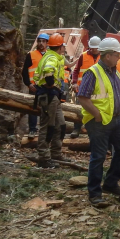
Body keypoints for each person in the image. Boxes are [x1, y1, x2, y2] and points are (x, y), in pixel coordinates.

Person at [76, 37, 120, 207]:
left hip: (116, 119)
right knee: (98, 156)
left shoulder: (114, 72)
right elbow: (83, 97)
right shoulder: (93, 72)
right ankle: (94, 193)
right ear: (108, 56)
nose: (119, 57)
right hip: (99, 121)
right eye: (116, 55)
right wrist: (97, 115)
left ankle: (110, 183)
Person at [32, 33, 67, 168]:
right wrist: (51, 84)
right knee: (48, 127)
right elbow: (48, 71)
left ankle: (55, 153)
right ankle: (43, 157)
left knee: (60, 125)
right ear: (60, 47)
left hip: (54, 96)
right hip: (48, 95)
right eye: (63, 45)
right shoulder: (52, 57)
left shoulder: (54, 56)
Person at [69, 36, 101, 138]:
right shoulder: (83, 56)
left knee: (95, 109)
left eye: (95, 48)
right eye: (92, 47)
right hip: (82, 88)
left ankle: (92, 130)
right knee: (80, 109)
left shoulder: (103, 57)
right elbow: (76, 70)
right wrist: (74, 82)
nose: (93, 49)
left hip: (97, 89)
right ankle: (76, 128)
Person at [21, 33, 49, 138]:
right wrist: (28, 84)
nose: (41, 43)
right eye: (39, 41)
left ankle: (44, 130)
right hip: (34, 87)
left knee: (46, 109)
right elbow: (24, 71)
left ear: (47, 43)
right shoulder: (31, 55)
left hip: (47, 87)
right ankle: (32, 130)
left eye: (43, 41)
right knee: (33, 108)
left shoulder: (50, 55)